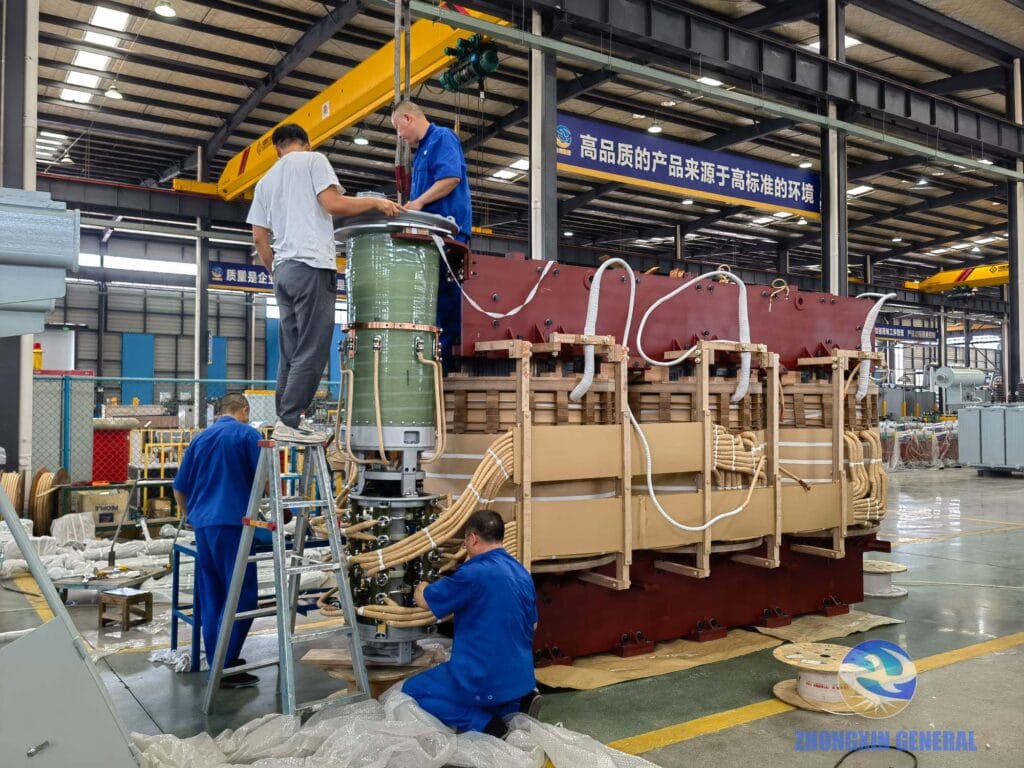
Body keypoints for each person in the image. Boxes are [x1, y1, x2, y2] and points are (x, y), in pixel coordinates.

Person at [247, 123, 402, 444]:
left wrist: (275, 270)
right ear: (306, 142)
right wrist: (376, 203)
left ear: (277, 149)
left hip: (284, 271)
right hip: (312, 266)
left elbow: (259, 236)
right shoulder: (314, 161)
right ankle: (291, 418)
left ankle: (285, 418)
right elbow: (333, 204)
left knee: (290, 351)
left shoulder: (265, 182)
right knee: (313, 348)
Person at [403, 509, 541, 737]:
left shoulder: (473, 574)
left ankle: (485, 724)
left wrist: (421, 584)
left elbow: (424, 600)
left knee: (414, 690)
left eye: (466, 540)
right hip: (522, 677)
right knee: (490, 689)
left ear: (473, 538)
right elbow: (533, 625)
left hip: (482, 678)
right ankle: (517, 704)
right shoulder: (521, 572)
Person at [172, 393, 262, 688]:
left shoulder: (200, 439)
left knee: (212, 597)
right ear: (244, 410)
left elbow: (179, 488)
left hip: (203, 526)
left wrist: (195, 517)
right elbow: (265, 481)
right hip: (234, 525)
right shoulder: (248, 435)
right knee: (242, 596)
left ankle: (220, 660)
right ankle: (224, 664)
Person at [391, 101, 471, 364]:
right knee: (432, 303)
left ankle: (446, 366)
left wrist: (419, 203)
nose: (400, 136)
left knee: (447, 304)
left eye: (398, 129)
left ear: (408, 118)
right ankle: (434, 365)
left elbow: (451, 178)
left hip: (448, 236)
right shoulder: (422, 150)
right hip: (429, 237)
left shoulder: (442, 138)